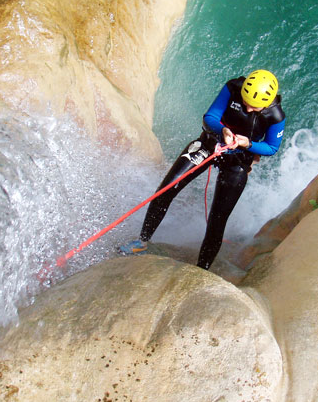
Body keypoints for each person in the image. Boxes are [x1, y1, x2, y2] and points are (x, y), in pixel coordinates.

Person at [121, 69, 286, 270]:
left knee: (218, 220)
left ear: (267, 103)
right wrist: (223, 130)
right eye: (245, 102)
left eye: (254, 107)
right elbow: (210, 117)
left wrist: (247, 144)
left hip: (237, 161)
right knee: (166, 189)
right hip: (209, 145)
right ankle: (141, 241)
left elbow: (271, 147)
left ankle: (201, 269)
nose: (248, 108)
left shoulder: (276, 116)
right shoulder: (233, 87)